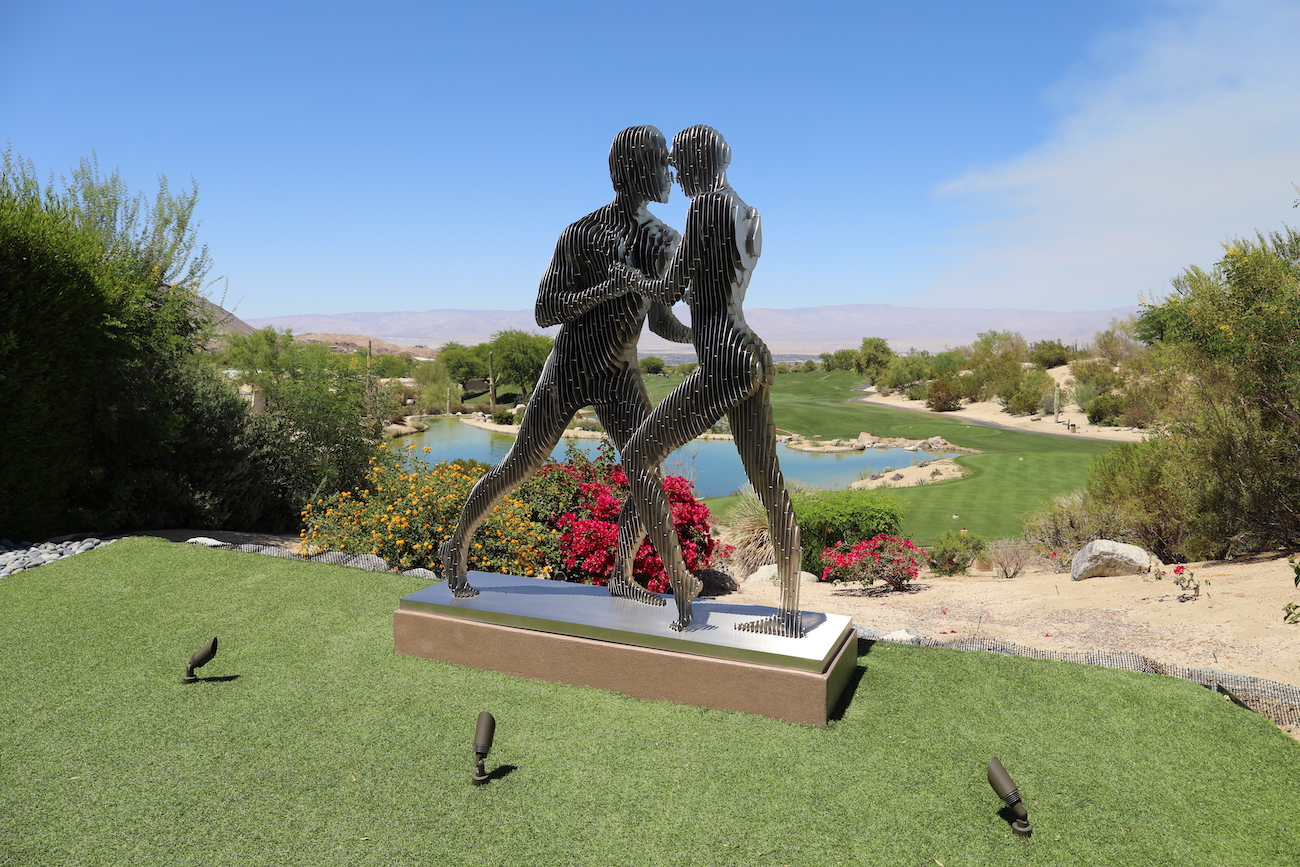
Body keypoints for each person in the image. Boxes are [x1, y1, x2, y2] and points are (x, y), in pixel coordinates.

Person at [439, 125, 691, 599]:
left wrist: (705, 337)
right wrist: (607, 290)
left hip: (619, 377)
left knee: (646, 477)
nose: (671, 174)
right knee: (519, 465)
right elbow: (545, 311)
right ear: (635, 168)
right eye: (662, 162)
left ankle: (622, 576)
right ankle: (457, 547)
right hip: (567, 370)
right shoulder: (581, 233)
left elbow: (661, 321)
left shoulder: (665, 241)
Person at [611, 125, 803, 636]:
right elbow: (715, 286)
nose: (674, 173)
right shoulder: (745, 210)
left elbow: (670, 288)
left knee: (637, 455)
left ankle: (682, 594)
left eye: (678, 162)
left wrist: (629, 277)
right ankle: (788, 613)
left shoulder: (705, 207)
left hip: (722, 361)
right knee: (770, 485)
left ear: (698, 160)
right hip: (749, 351)